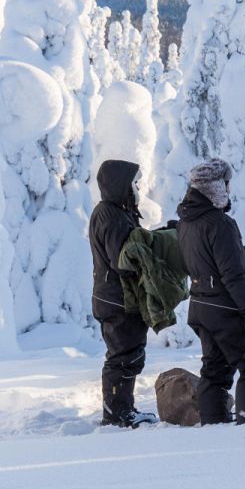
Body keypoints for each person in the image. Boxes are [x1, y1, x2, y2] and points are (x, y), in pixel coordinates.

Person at [175, 158, 245, 425]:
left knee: (215, 370)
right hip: (225, 309)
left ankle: (214, 425)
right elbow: (233, 276)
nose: (230, 190)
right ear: (216, 187)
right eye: (227, 184)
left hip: (200, 306)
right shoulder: (219, 223)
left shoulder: (186, 222)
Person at [88, 159, 157, 428]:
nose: (138, 187)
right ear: (121, 185)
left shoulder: (118, 211)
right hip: (117, 299)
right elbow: (124, 259)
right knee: (123, 356)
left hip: (116, 296)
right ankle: (117, 414)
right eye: (134, 183)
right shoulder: (111, 215)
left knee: (128, 353)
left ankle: (121, 409)